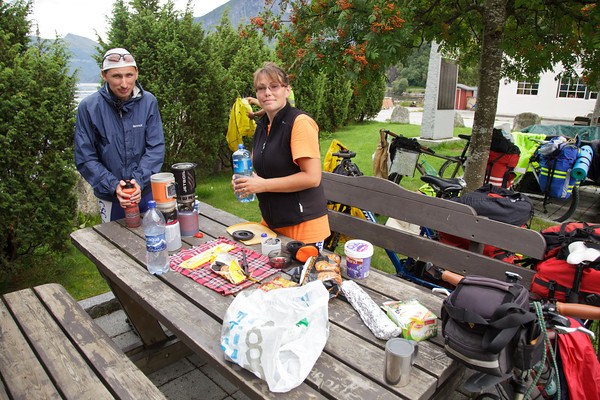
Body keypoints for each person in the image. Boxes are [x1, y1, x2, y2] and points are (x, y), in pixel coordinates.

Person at [233, 62, 330, 245]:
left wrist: (262, 185)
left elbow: (312, 177)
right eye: (261, 88)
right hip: (271, 224)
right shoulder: (262, 126)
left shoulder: (299, 123)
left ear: (287, 90)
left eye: (274, 86)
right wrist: (246, 181)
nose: (267, 92)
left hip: (304, 228)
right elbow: (262, 170)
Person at [75, 48, 165, 223]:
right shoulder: (88, 107)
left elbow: (155, 147)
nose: (124, 84)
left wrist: (138, 181)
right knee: (114, 246)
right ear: (104, 75)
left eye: (129, 75)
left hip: (145, 192)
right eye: (117, 76)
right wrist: (114, 185)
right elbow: (85, 157)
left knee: (154, 238)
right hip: (110, 197)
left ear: (137, 73)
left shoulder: (148, 102)